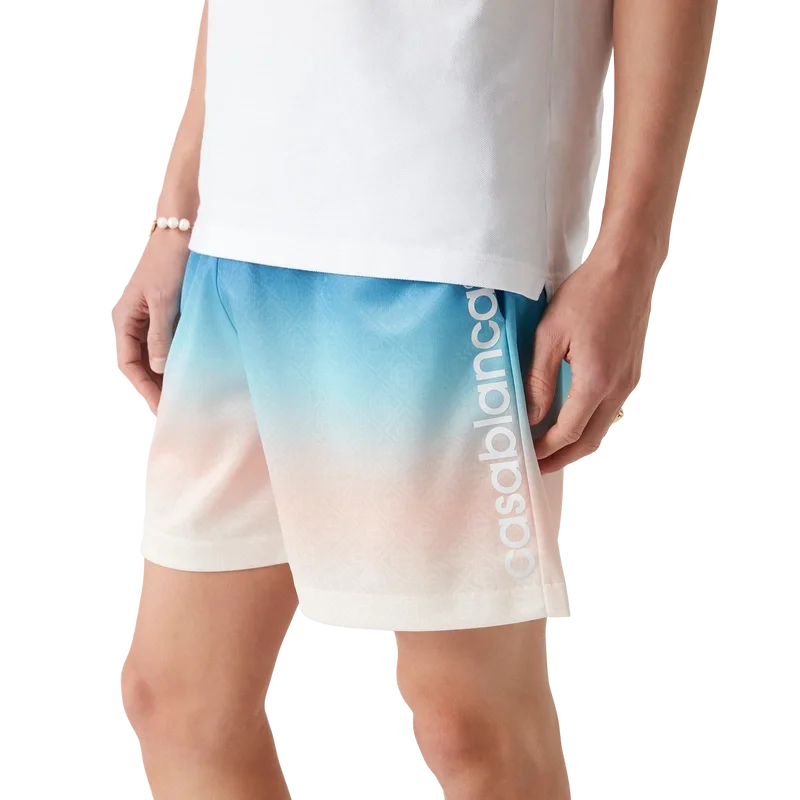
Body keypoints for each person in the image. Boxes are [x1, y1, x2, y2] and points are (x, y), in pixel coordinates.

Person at [111, 2, 718, 797]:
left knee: (469, 721)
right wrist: (179, 208)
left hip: (448, 229)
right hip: (242, 223)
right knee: (180, 701)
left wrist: (628, 260)